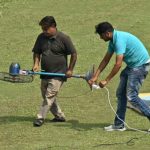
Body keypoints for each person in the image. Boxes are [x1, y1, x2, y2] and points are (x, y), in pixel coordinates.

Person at [89, 22, 150, 131]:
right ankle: (119, 125)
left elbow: (118, 64)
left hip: (141, 66)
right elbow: (106, 59)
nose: (100, 38)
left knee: (132, 96)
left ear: (107, 33)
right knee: (121, 94)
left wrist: (106, 80)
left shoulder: (119, 41)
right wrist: (95, 76)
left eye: (101, 35)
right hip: (133, 66)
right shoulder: (113, 41)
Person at [32, 16, 77, 127]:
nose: (44, 31)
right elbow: (37, 52)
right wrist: (36, 64)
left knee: (49, 95)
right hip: (45, 73)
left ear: (53, 26)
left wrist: (70, 69)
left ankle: (40, 117)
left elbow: (74, 54)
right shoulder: (41, 37)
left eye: (46, 29)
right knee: (46, 95)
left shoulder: (64, 38)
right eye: (43, 29)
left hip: (59, 73)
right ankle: (59, 116)